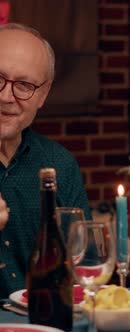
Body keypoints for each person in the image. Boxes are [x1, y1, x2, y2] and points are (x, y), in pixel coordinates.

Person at [0, 23, 90, 298]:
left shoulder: (59, 165)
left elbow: (84, 268)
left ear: (43, 94)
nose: (6, 97)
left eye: (24, 85)